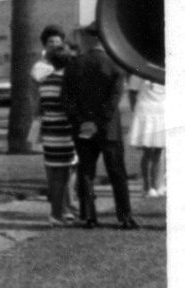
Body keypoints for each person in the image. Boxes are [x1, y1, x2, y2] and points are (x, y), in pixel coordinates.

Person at [61, 22, 137, 230]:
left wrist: (82, 122)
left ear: (88, 39)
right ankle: (124, 217)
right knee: (117, 174)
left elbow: (66, 99)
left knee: (86, 172)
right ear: (103, 39)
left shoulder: (74, 65)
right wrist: (99, 123)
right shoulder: (115, 66)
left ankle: (88, 216)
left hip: (83, 129)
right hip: (109, 129)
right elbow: (113, 101)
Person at [38, 46, 77, 226]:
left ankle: (58, 211)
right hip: (65, 133)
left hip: (49, 133)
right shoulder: (68, 82)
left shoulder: (45, 81)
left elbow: (42, 108)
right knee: (64, 175)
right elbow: (70, 109)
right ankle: (57, 213)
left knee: (55, 176)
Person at [127, 74, 166, 197]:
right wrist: (135, 111)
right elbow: (132, 93)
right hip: (145, 113)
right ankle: (147, 186)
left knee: (158, 152)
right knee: (147, 152)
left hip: (162, 112)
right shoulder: (138, 72)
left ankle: (156, 185)